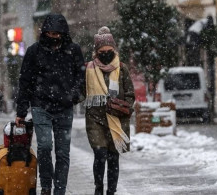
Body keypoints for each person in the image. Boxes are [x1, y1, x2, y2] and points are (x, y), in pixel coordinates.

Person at [15, 13, 85, 195]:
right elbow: (25, 81)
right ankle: (46, 187)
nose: (53, 37)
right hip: (40, 106)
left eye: (57, 34)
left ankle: (59, 190)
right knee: (44, 146)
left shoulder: (73, 50)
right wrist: (21, 111)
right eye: (50, 33)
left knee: (62, 152)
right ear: (44, 32)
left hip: (64, 107)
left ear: (63, 33)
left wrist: (74, 96)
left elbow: (81, 77)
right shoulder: (34, 51)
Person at [83, 26, 135, 195]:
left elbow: (130, 93)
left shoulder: (122, 68)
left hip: (116, 118)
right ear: (96, 51)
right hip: (95, 118)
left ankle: (111, 191)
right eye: (102, 51)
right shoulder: (89, 69)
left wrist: (124, 107)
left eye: (109, 50)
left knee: (113, 157)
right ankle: (98, 190)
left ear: (114, 49)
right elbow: (80, 91)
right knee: (99, 154)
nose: (106, 53)